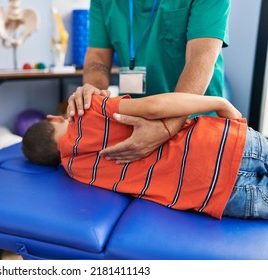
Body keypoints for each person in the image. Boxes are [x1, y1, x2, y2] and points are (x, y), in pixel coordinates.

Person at [22, 93, 268, 220]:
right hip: (223, 142)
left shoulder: (77, 173)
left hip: (217, 195)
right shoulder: (89, 111)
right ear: (52, 119)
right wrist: (220, 103)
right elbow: (153, 107)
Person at [67, 0, 231, 164]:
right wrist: (93, 95)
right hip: (135, 126)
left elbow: (201, 56)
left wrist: (168, 126)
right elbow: (98, 54)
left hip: (194, 123)